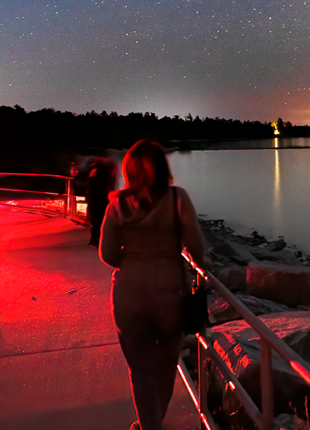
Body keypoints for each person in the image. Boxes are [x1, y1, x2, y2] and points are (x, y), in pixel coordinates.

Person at [98, 140, 208, 430]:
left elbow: (107, 254)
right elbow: (197, 246)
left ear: (129, 171)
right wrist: (201, 265)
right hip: (170, 295)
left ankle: (149, 425)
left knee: (140, 369)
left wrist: (133, 259)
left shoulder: (117, 205)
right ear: (162, 168)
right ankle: (154, 420)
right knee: (166, 364)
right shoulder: (178, 199)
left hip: (129, 296)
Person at [86, 156, 117, 247]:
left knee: (94, 220)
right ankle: (98, 239)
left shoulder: (92, 171)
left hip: (93, 200)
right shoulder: (103, 171)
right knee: (100, 220)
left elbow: (90, 187)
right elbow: (102, 186)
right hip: (101, 199)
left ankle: (93, 239)